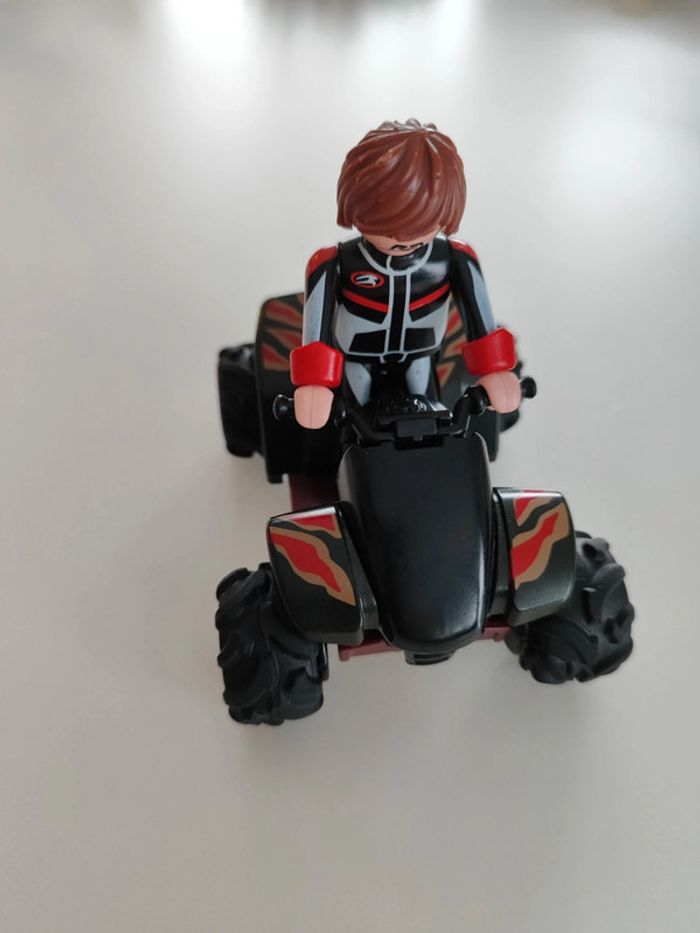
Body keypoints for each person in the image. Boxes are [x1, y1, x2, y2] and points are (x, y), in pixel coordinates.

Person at [289, 119, 521, 429]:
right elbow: (315, 329)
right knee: (348, 427)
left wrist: (495, 369)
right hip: (357, 361)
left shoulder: (454, 258)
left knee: (438, 423)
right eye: (389, 223)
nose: (405, 238)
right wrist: (315, 381)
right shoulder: (335, 261)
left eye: (421, 221)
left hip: (420, 359)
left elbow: (480, 319)